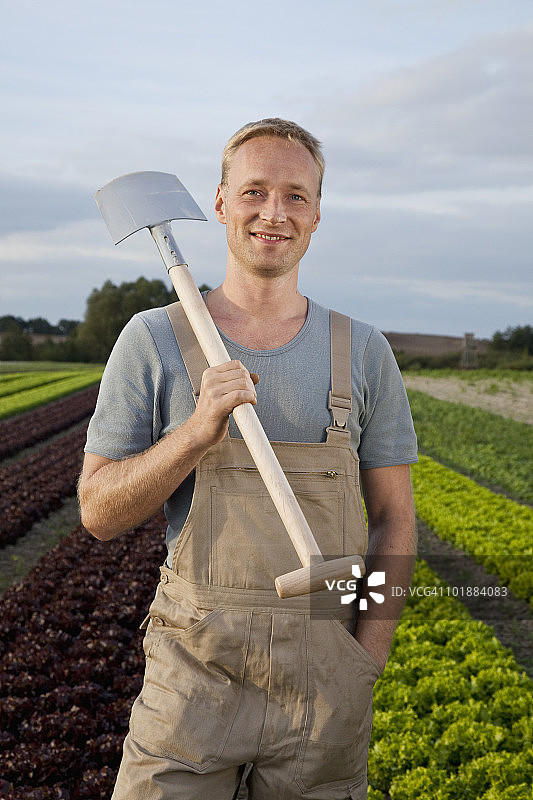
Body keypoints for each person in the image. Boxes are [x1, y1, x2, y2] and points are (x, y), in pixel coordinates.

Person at [78, 118, 418, 800]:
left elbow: (395, 522)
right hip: (194, 676)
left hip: (324, 682)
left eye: (295, 196)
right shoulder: (154, 339)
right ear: (221, 202)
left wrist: (365, 658)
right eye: (255, 191)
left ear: (317, 214)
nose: (273, 212)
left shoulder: (363, 352)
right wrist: (197, 430)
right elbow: (97, 512)